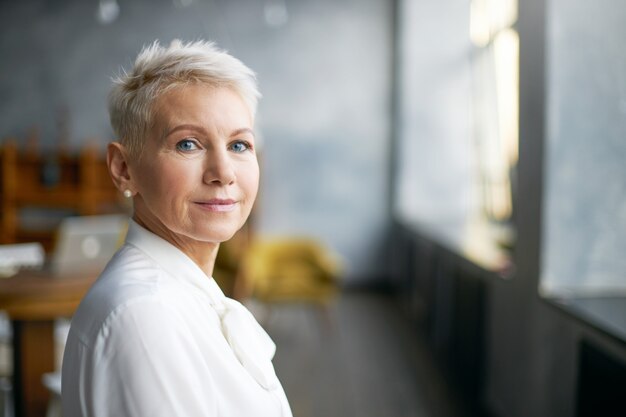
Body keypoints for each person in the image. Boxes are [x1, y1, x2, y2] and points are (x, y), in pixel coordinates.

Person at [61, 39, 292, 417]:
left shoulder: (181, 294)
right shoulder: (145, 316)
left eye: (239, 145)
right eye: (187, 144)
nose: (223, 173)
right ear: (123, 169)